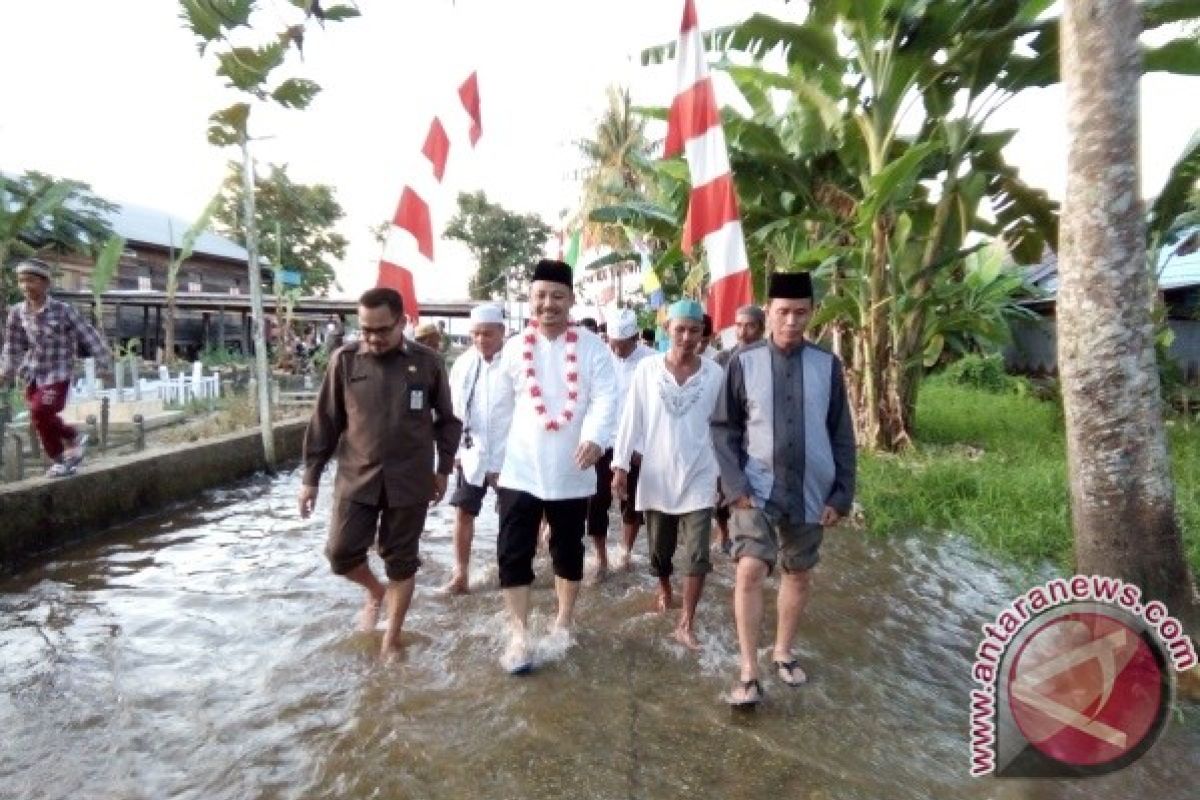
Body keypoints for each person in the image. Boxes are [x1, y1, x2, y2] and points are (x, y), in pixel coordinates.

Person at [711, 271, 856, 706]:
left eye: (800, 312)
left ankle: (783, 651)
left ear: (811, 313)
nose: (791, 320)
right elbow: (723, 429)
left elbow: (841, 433)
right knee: (750, 568)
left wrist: (841, 493)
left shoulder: (827, 365)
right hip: (755, 487)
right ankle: (749, 669)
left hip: (812, 488)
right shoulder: (742, 361)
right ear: (769, 312)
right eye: (783, 312)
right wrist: (734, 486)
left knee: (799, 571)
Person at [299, 287, 462, 657]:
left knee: (401, 560)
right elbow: (325, 421)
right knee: (340, 553)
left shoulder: (427, 363)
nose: (372, 338)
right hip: (357, 477)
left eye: (381, 330)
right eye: (365, 329)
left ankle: (392, 638)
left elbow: (447, 422)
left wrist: (443, 470)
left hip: (410, 480)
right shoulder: (345, 362)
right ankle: (376, 591)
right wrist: (310, 478)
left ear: (402, 323)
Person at [488, 259, 619, 673]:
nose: (549, 304)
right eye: (541, 296)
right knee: (513, 551)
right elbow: (499, 410)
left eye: (557, 296)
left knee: (567, 550)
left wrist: (596, 437)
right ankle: (519, 634)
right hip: (520, 468)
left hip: (570, 467)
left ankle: (563, 621)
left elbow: (606, 397)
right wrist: (492, 463)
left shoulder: (593, 348)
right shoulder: (513, 349)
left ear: (571, 300)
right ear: (531, 300)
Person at [612, 300, 724, 650]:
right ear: (667, 330)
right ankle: (664, 591)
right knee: (660, 552)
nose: (687, 336)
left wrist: (726, 475)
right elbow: (631, 419)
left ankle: (685, 621)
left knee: (697, 555)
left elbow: (723, 428)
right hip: (656, 475)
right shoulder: (647, 371)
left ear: (702, 334)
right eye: (680, 329)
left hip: (700, 474)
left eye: (694, 330)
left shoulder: (715, 374)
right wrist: (620, 466)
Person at [0, 258, 109, 477]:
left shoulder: (63, 310)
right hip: (32, 373)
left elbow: (88, 335)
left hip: (58, 373)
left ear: (45, 283)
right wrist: (5, 372)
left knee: (40, 411)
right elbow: (12, 346)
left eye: (31, 280)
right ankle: (68, 446)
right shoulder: (17, 313)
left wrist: (103, 363)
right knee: (39, 418)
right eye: (21, 281)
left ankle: (63, 452)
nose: (25, 286)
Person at [442, 303, 507, 595]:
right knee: (463, 512)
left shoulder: (516, 361)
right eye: (476, 334)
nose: (482, 340)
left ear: (501, 332)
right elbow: (454, 412)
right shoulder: (463, 364)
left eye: (488, 334)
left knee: (514, 517)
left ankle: (513, 570)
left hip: (510, 455)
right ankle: (460, 575)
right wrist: (454, 453)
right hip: (473, 452)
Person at [587, 307, 655, 577]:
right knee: (596, 500)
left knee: (632, 502)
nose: (616, 350)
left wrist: (641, 447)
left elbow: (653, 409)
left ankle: (625, 551)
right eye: (612, 344)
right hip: (602, 441)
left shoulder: (652, 362)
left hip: (636, 444)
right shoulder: (600, 359)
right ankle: (601, 558)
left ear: (636, 338)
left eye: (622, 345)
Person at [713, 304, 767, 554]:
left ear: (762, 329)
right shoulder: (724, 359)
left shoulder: (770, 360)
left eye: (750, 326)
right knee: (722, 491)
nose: (743, 331)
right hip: (726, 437)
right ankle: (724, 534)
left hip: (757, 444)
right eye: (738, 325)